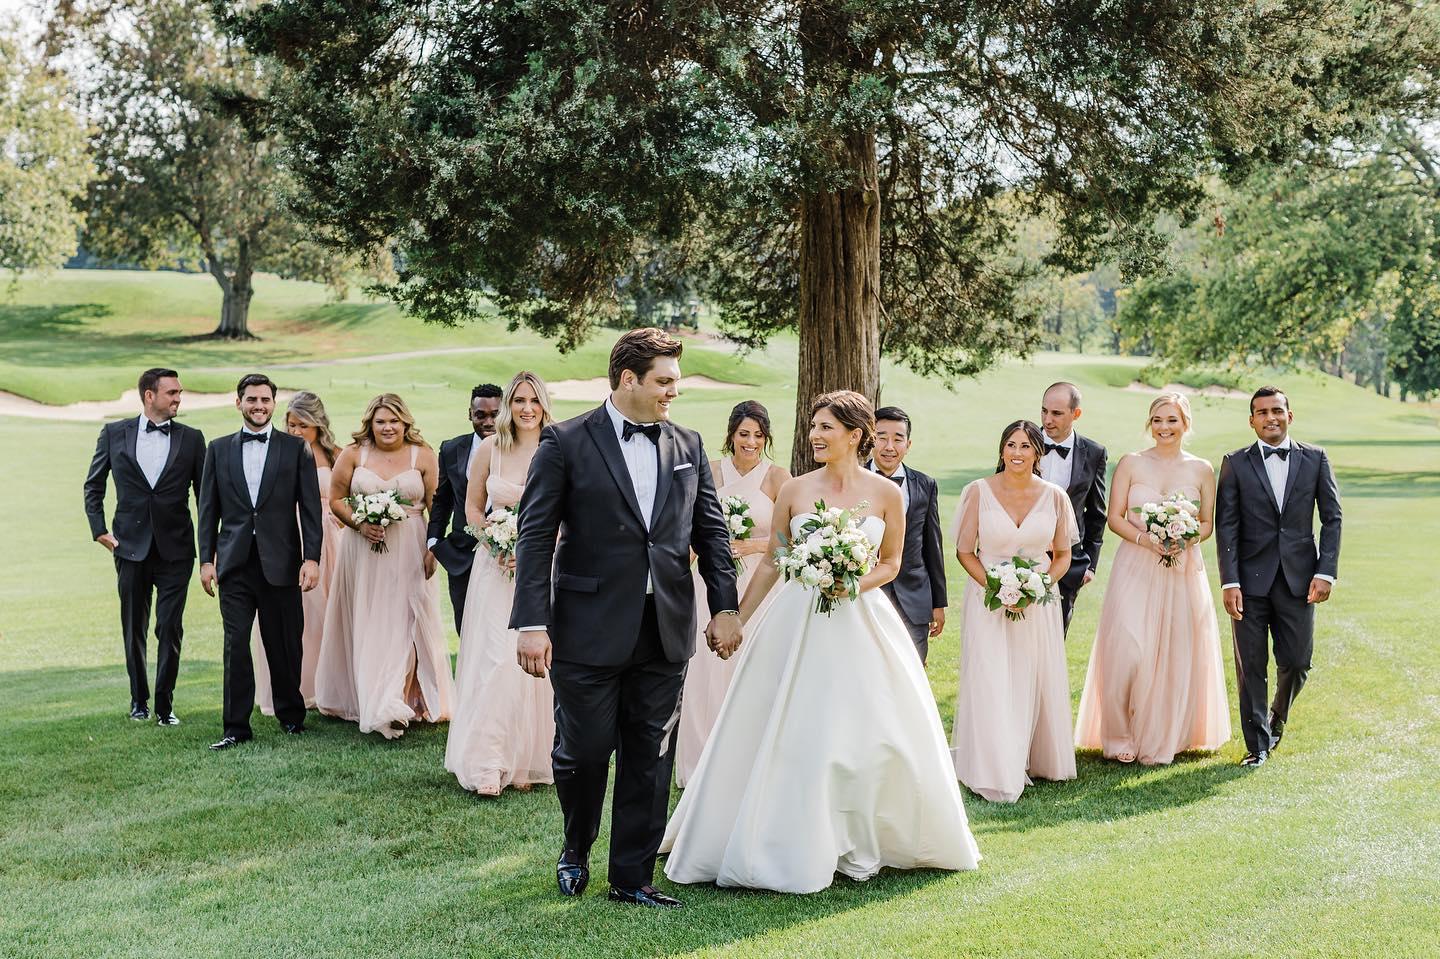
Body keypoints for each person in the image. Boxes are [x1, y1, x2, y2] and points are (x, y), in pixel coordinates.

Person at [662, 391, 981, 894]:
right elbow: (774, 561)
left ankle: (862, 832)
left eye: (826, 427)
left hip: (861, 619)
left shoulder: (886, 494)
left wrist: (852, 584)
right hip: (796, 616)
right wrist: (737, 617)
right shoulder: (795, 489)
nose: (814, 434)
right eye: (813, 425)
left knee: (867, 726)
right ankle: (777, 832)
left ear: (855, 435)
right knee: (786, 720)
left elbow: (891, 562)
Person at [509, 328, 740, 909]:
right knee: (583, 753)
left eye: (675, 383)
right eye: (664, 382)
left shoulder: (688, 444)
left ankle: (632, 877)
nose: (673, 393)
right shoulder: (565, 441)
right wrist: (532, 622)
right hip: (586, 628)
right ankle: (576, 845)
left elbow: (712, 533)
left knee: (651, 756)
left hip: (665, 628)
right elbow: (534, 536)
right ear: (628, 379)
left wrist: (725, 606)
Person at [1074, 393, 1231, 765]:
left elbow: (1206, 523)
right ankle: (1118, 735)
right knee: (1128, 649)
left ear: (1185, 423)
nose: (1164, 427)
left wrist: (1184, 539)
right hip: (1135, 566)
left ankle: (1165, 734)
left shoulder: (1202, 469)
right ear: (1149, 423)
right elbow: (1114, 517)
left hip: (1182, 570)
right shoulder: (1131, 462)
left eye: (1172, 420)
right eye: (1158, 419)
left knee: (1175, 651)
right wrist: (1146, 539)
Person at [951, 420, 1078, 802]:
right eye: (1011, 444)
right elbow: (964, 551)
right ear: (1002, 449)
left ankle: (1029, 755)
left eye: (1025, 446)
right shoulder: (978, 491)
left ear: (1038, 452)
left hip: (1037, 603)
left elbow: (1063, 555)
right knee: (990, 675)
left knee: (1029, 675)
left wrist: (1037, 587)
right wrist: (996, 586)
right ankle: (994, 765)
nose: (1017, 453)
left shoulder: (1055, 497)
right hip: (987, 600)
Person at [1215, 386, 1342, 767]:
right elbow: (1227, 526)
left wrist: (1325, 571)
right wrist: (1230, 581)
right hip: (1248, 582)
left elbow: (1332, 518)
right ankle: (1257, 746)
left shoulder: (1315, 459)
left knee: (1298, 661)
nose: (1270, 417)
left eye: (1276, 410)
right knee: (1251, 666)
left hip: (1299, 580)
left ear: (1289, 415)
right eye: (1262, 412)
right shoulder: (1235, 463)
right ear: (1251, 420)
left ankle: (1277, 715)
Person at [315, 393, 454, 739]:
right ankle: (376, 699)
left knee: (407, 618)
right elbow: (336, 499)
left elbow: (437, 507)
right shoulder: (353, 454)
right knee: (371, 620)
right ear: (370, 424)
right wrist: (359, 524)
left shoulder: (422, 454)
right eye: (381, 421)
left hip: (410, 548)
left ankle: (400, 698)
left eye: (394, 421)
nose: (388, 427)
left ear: (405, 422)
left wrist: (433, 549)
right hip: (362, 551)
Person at [197, 374, 323, 750]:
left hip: (282, 562)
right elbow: (207, 510)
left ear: (273, 404)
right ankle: (235, 727)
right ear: (239, 403)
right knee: (235, 644)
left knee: (284, 642)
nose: (259, 406)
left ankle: (291, 715)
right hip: (234, 564)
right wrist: (206, 560)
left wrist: (312, 558)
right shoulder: (218, 449)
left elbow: (310, 510)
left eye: (265, 400)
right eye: (251, 399)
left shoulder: (295, 449)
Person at [446, 372, 557, 795]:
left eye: (534, 400)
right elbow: (473, 510)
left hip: (542, 569)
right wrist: (495, 543)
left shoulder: (557, 447)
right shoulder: (490, 448)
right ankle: (488, 762)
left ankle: (523, 759)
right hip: (495, 570)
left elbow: (572, 514)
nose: (527, 408)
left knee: (531, 666)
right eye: (519, 400)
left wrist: (534, 551)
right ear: (509, 405)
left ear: (544, 405)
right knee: (495, 660)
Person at [674, 400, 789, 787]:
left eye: (758, 435)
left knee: (753, 667)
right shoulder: (710, 470)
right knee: (705, 670)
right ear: (731, 435)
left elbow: (789, 540)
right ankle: (700, 763)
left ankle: (749, 763)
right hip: (711, 581)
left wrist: (751, 546)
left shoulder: (777, 478)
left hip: (759, 583)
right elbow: (690, 523)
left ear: (766, 438)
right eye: (744, 434)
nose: (750, 442)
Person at [83, 368, 205, 725]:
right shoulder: (113, 433)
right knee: (133, 626)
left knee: (170, 627)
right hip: (129, 547)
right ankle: (139, 700)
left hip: (177, 550)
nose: (178, 398)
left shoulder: (192, 439)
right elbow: (93, 485)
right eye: (172, 393)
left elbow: (205, 496)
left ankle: (165, 707)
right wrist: (99, 530)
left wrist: (209, 547)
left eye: (179, 392)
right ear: (149, 396)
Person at [251, 391, 344, 714]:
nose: (296, 431)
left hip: (333, 540)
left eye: (303, 425)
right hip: (292, 538)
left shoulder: (336, 455)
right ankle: (300, 688)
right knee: (300, 614)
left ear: (318, 424)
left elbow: (349, 494)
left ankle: (331, 687)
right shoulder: (280, 453)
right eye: (291, 424)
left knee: (331, 614)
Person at [868, 405, 947, 663]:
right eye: (881, 437)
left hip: (914, 598)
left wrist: (938, 603)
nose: (889, 446)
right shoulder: (854, 481)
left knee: (913, 669)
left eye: (898, 439)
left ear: (908, 444)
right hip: (866, 593)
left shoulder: (925, 485)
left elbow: (933, 546)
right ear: (870, 439)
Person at [428, 384, 503, 634]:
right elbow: (442, 499)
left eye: (495, 414)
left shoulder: (518, 450)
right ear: (469, 414)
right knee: (466, 629)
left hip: (506, 558)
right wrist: (433, 541)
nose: (488, 422)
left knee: (501, 631)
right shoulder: (451, 449)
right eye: (480, 415)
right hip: (461, 557)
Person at [1038, 382, 1108, 633]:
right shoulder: (1021, 442)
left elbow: (1096, 514)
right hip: (1020, 554)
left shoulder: (1094, 453)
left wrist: (1090, 565)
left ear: (1075, 414)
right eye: (1044, 411)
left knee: (1055, 637)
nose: (1047, 420)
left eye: (1056, 413)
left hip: (1068, 562)